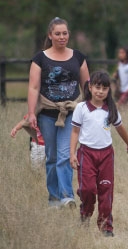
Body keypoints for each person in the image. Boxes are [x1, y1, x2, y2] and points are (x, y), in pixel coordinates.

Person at [27, 17, 90, 208]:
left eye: (65, 33)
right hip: (47, 113)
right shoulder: (40, 59)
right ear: (50, 35)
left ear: (68, 34)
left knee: (65, 154)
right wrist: (31, 113)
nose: (62, 37)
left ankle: (66, 196)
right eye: (58, 34)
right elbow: (33, 87)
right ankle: (53, 198)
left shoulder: (78, 57)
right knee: (52, 156)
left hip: (71, 112)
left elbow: (86, 86)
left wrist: (90, 110)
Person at [70, 70, 128, 237]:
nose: (100, 91)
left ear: (108, 91)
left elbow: (120, 128)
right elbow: (75, 132)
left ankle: (106, 226)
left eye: (104, 88)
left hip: (106, 155)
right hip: (86, 154)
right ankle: (85, 213)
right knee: (88, 190)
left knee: (106, 191)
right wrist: (72, 154)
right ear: (90, 87)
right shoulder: (81, 108)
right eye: (97, 87)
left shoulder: (111, 109)